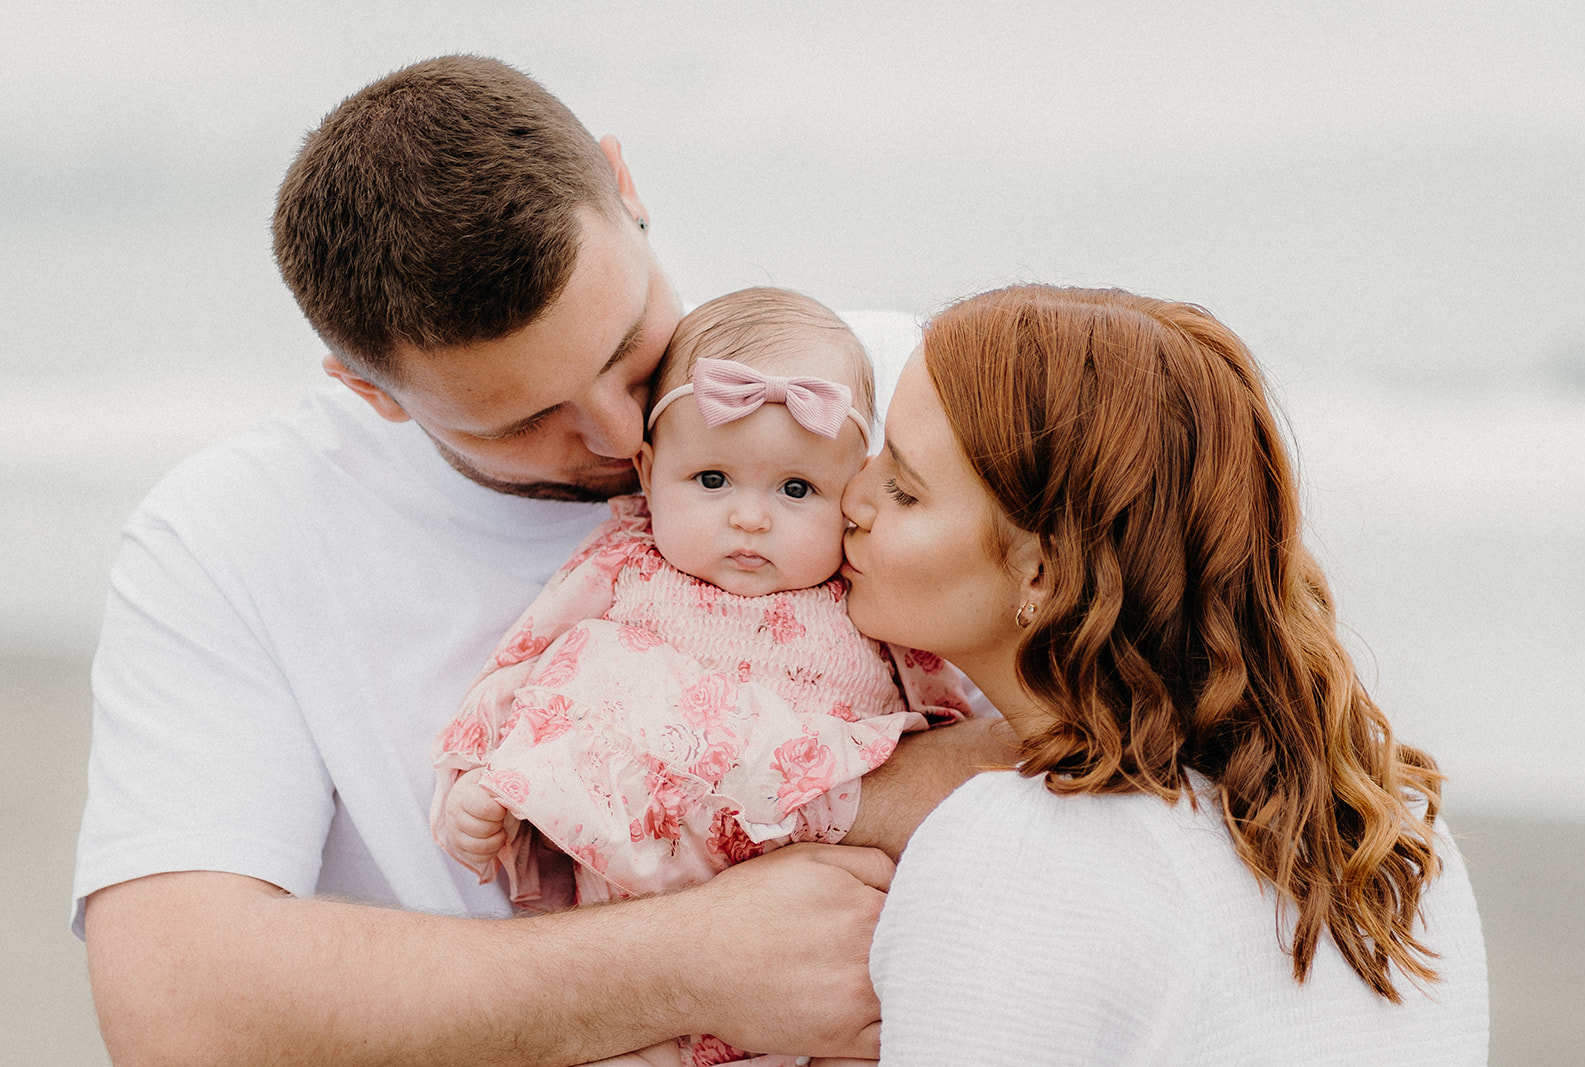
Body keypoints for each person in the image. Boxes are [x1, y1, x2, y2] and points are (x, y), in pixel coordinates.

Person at [72, 55, 1010, 1066]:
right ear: (369, 390)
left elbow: (1121, 711)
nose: (619, 436)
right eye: (526, 419)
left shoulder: (876, 388)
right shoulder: (228, 539)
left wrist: (800, 792)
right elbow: (177, 1011)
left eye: (625, 347)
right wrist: (689, 959)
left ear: (626, 188)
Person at [841, 284, 1491, 1064]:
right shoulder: (1395, 832)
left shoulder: (1018, 852)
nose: (851, 497)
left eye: (905, 488)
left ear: (1043, 570)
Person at [435, 287, 978, 1067]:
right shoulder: (626, 566)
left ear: (853, 493)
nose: (751, 518)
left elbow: (934, 700)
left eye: (797, 490)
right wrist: (482, 777)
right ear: (650, 472)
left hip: (819, 944)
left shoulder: (860, 597)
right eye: (712, 481)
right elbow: (525, 666)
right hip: (641, 933)